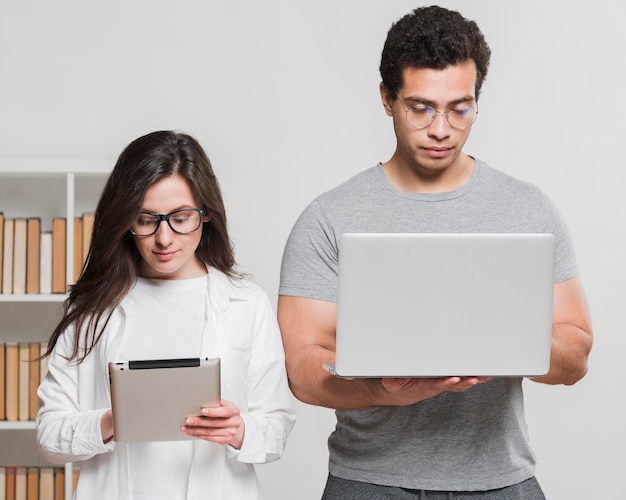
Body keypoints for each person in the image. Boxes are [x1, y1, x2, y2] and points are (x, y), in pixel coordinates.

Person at [278, 5, 592, 499]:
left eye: (460, 107)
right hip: (369, 482)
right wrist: (386, 391)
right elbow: (302, 371)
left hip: (500, 481)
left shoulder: (528, 210)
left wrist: (504, 338)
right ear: (387, 98)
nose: (442, 128)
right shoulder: (328, 218)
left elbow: (575, 353)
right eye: (420, 107)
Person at [37, 130, 296, 500]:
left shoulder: (246, 304)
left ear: (206, 215)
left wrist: (239, 430)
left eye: (181, 217)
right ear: (125, 219)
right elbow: (49, 436)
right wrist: (112, 421)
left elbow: (278, 425)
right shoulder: (90, 310)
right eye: (146, 219)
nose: (164, 238)